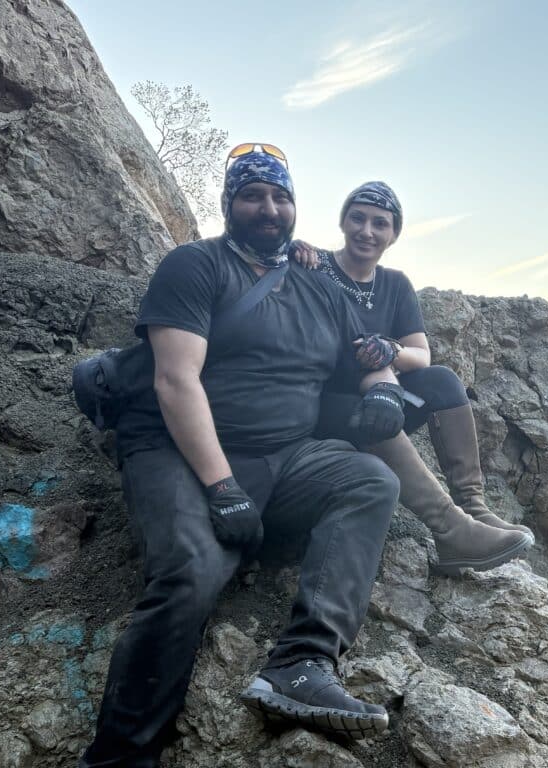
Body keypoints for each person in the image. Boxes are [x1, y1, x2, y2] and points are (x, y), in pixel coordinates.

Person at [81, 145, 405, 768]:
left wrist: (384, 391)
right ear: (230, 203)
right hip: (175, 451)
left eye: (281, 197)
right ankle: (120, 757)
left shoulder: (319, 282)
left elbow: (368, 356)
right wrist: (223, 487)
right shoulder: (194, 266)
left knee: (369, 481)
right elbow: (176, 382)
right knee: (191, 576)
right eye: (253, 195)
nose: (269, 208)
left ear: (295, 208)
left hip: (283, 455)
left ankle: (302, 663)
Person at [293, 181, 535, 577]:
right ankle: (451, 529)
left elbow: (421, 354)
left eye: (380, 223)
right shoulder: (315, 264)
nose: (366, 231)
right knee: (377, 407)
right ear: (342, 221)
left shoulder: (394, 284)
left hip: (382, 389)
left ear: (393, 234)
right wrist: (293, 248)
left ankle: (473, 508)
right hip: (327, 403)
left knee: (441, 380)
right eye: (357, 218)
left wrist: (390, 350)